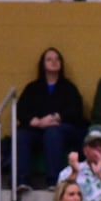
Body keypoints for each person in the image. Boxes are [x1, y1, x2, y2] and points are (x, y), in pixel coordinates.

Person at [16, 47, 86, 186]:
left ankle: (53, 181)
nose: (54, 62)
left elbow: (76, 110)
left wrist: (55, 118)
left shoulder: (68, 87)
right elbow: (21, 110)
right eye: (49, 59)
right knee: (22, 135)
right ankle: (21, 181)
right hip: (37, 128)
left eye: (57, 59)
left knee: (53, 132)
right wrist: (36, 122)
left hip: (62, 128)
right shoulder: (33, 87)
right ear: (42, 64)